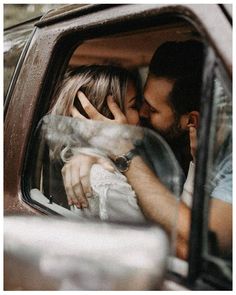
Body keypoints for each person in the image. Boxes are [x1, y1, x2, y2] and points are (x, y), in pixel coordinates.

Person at [59, 41, 232, 259]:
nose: (142, 113)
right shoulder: (111, 173)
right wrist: (89, 151)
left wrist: (121, 149)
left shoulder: (223, 157)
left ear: (191, 121)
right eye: (137, 104)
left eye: (151, 108)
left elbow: (186, 243)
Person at [47, 64, 147, 223]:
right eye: (134, 106)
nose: (143, 113)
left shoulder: (106, 163)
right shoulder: (105, 181)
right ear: (103, 115)